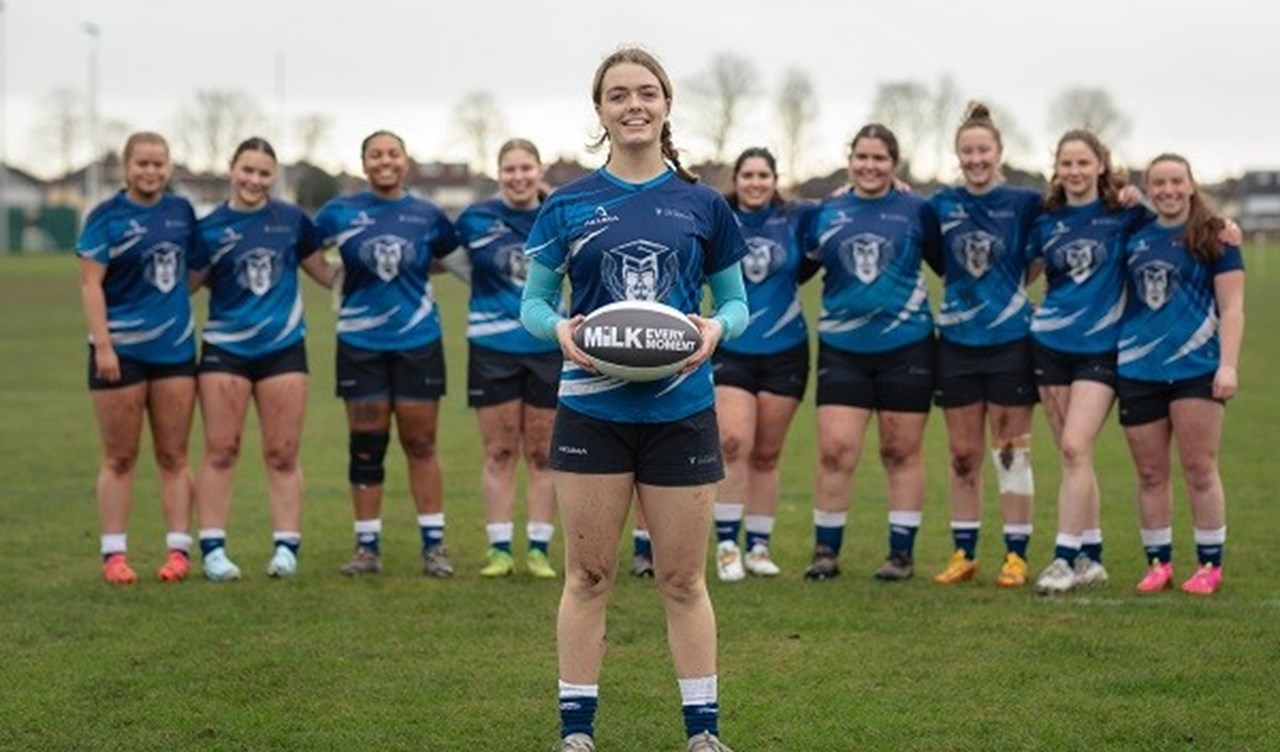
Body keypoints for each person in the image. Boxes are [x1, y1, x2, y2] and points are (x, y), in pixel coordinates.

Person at [520, 47, 747, 752]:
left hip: (681, 410)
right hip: (594, 408)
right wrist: (558, 328)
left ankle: (703, 733)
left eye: (646, 92)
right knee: (588, 575)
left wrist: (715, 329)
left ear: (667, 104)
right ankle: (576, 733)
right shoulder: (566, 205)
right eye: (617, 95)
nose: (633, 105)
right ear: (600, 112)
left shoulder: (704, 203)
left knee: (682, 578)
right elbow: (531, 303)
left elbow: (738, 303)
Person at [313, 130, 463, 577]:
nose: (384, 161)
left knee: (421, 443)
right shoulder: (340, 212)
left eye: (392, 154)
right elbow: (306, 252)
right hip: (359, 346)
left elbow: (451, 260)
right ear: (364, 163)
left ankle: (434, 547)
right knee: (366, 446)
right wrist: (333, 280)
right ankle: (366, 547)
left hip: (417, 342)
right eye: (375, 154)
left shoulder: (427, 214)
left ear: (405, 161)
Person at [189, 137, 337, 581]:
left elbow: (327, 275)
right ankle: (213, 550)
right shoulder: (209, 227)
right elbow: (185, 286)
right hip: (224, 350)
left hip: (283, 351)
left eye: (264, 173)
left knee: (282, 453)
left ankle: (286, 549)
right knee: (221, 450)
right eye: (247, 170)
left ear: (274, 177)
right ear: (232, 169)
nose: (254, 180)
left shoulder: (292, 220)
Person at [799, 125, 937, 582]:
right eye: (861, 157)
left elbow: (950, 263)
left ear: (893, 164)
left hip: (908, 346)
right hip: (843, 349)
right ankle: (825, 551)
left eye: (879, 158)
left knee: (900, 451)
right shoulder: (826, 212)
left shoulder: (918, 210)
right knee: (836, 451)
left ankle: (900, 554)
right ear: (849, 159)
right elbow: (795, 269)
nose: (869, 166)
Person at [1024, 130, 1149, 594]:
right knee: (1073, 456)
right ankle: (1090, 557)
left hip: (1101, 349)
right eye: (1067, 164)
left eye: (1083, 163)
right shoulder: (1045, 219)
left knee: (1076, 448)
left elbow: (1176, 222)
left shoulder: (1125, 214)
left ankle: (1060, 559)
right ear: (1057, 169)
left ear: (1101, 165)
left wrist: (1223, 230)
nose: (1074, 172)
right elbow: (1023, 272)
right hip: (1049, 345)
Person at [927, 103, 1042, 588]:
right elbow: (935, 258)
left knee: (1011, 452)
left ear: (999, 152)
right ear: (957, 155)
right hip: (955, 343)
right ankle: (964, 553)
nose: (975, 158)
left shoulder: (1024, 203)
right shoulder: (939, 206)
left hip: (1011, 341)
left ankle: (1015, 555)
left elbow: (1039, 257)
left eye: (983, 150)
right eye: (967, 151)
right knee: (961, 454)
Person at [1118, 154, 1244, 596]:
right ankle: (1159, 564)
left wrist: (1228, 364)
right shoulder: (1133, 232)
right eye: (1159, 183)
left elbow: (1232, 309)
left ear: (1191, 185)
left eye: (1176, 181)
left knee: (1199, 468)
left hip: (1197, 370)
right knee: (1150, 474)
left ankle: (1210, 565)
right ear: (1149, 189)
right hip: (1138, 369)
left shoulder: (1217, 236)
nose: (1168, 189)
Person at [77, 131, 198, 584]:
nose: (151, 171)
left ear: (169, 167)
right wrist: (103, 345)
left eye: (159, 163)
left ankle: (179, 551)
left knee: (173, 455)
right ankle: (114, 555)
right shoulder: (105, 216)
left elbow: (194, 271)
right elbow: (90, 285)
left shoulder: (182, 211)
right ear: (126, 167)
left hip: (175, 354)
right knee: (120, 457)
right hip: (118, 355)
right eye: (142, 163)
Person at [454, 138, 559, 579]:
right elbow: (450, 262)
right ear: (499, 173)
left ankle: (538, 549)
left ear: (539, 170)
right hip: (492, 349)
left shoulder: (559, 216)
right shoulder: (475, 218)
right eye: (510, 169)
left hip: (548, 347)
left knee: (542, 452)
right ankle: (499, 549)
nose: (518, 177)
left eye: (526, 168)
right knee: (498, 450)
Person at [710, 147, 816, 581]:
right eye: (747, 175)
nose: (755, 183)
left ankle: (759, 546)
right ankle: (727, 546)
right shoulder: (717, 217)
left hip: (786, 349)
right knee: (733, 443)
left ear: (775, 179)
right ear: (735, 179)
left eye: (763, 175)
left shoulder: (797, 218)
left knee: (768, 455)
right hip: (732, 347)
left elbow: (849, 206)